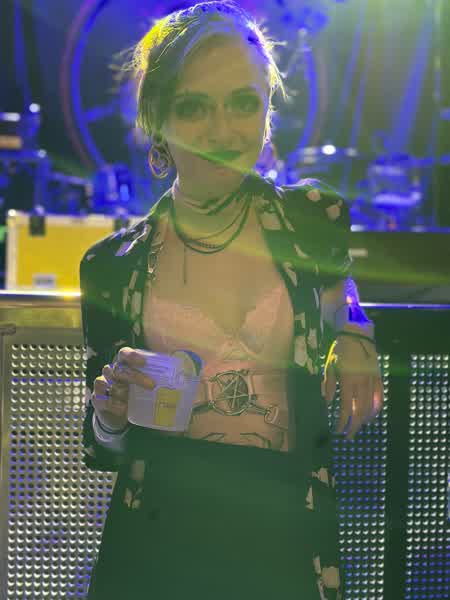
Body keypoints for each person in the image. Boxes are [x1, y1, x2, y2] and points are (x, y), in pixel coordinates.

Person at [80, 2, 384, 599]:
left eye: (243, 102)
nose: (222, 131)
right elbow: (101, 445)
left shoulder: (313, 218)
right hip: (160, 529)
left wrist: (355, 327)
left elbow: (337, 282)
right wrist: (110, 412)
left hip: (284, 524)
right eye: (194, 107)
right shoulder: (113, 265)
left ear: (269, 109)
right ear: (157, 118)